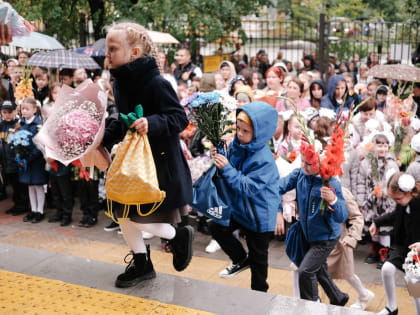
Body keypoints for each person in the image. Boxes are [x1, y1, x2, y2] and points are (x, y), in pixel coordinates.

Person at [104, 22, 194, 288]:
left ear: (134, 51)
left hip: (159, 165)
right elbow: (123, 121)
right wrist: (101, 139)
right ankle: (142, 264)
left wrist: (151, 123)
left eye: (113, 48)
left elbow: (179, 118)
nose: (107, 54)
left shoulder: (157, 82)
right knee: (122, 213)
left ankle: (177, 237)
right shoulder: (120, 83)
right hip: (131, 164)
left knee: (136, 216)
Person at [209, 101, 281, 292]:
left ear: (258, 133)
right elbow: (231, 164)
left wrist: (226, 167)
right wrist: (219, 155)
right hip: (241, 209)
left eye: (245, 131)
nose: (239, 134)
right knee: (215, 225)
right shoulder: (238, 144)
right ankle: (241, 259)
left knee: (259, 263)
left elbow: (248, 187)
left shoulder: (264, 160)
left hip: (259, 217)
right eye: (238, 129)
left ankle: (259, 298)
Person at [279, 154, 349, 304]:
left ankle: (311, 306)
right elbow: (279, 186)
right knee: (318, 268)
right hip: (308, 234)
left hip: (326, 237)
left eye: (309, 164)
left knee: (306, 270)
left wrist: (333, 200)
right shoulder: (299, 174)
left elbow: (342, 216)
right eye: (303, 161)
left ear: (320, 164)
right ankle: (338, 297)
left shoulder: (331, 183)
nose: (304, 166)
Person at [370, 171, 420, 315]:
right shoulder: (404, 201)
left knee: (415, 288)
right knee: (387, 269)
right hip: (404, 247)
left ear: (409, 191)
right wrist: (377, 222)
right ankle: (391, 307)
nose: (396, 202)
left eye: (398, 199)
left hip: (417, 251)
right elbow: (395, 216)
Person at [357, 134, 398, 269]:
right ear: (373, 146)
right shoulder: (367, 162)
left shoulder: (391, 164)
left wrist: (385, 193)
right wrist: (361, 201)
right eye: (379, 145)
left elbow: (394, 183)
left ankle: (384, 252)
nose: (382, 149)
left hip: (386, 202)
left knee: (384, 228)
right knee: (373, 227)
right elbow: (361, 183)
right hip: (371, 201)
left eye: (385, 145)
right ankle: (374, 249)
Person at [18, 97, 48, 223]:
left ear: (34, 110)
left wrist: (29, 157)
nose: (24, 111)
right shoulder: (22, 124)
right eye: (22, 109)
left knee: (38, 185)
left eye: (27, 109)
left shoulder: (38, 125)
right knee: (30, 185)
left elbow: (39, 145)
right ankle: (33, 209)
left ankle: (40, 211)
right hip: (26, 161)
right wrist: (19, 154)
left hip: (36, 161)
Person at [0, 100, 29, 215]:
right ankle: (16, 204)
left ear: (16, 111)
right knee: (13, 185)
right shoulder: (1, 125)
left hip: (17, 162)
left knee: (20, 186)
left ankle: (23, 205)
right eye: (4, 112)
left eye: (10, 112)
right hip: (6, 162)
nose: (7, 115)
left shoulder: (19, 124)